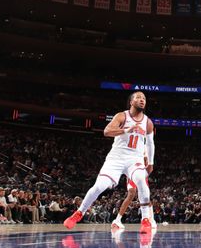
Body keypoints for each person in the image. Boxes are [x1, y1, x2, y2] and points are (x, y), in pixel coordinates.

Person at [64, 91, 156, 233]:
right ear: (131, 102)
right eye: (138, 97)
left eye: (144, 98)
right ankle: (79, 213)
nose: (142, 100)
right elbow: (107, 131)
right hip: (116, 158)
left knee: (140, 180)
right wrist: (127, 129)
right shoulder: (122, 116)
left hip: (135, 159)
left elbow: (150, 144)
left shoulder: (148, 122)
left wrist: (150, 163)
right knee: (100, 186)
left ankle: (145, 220)